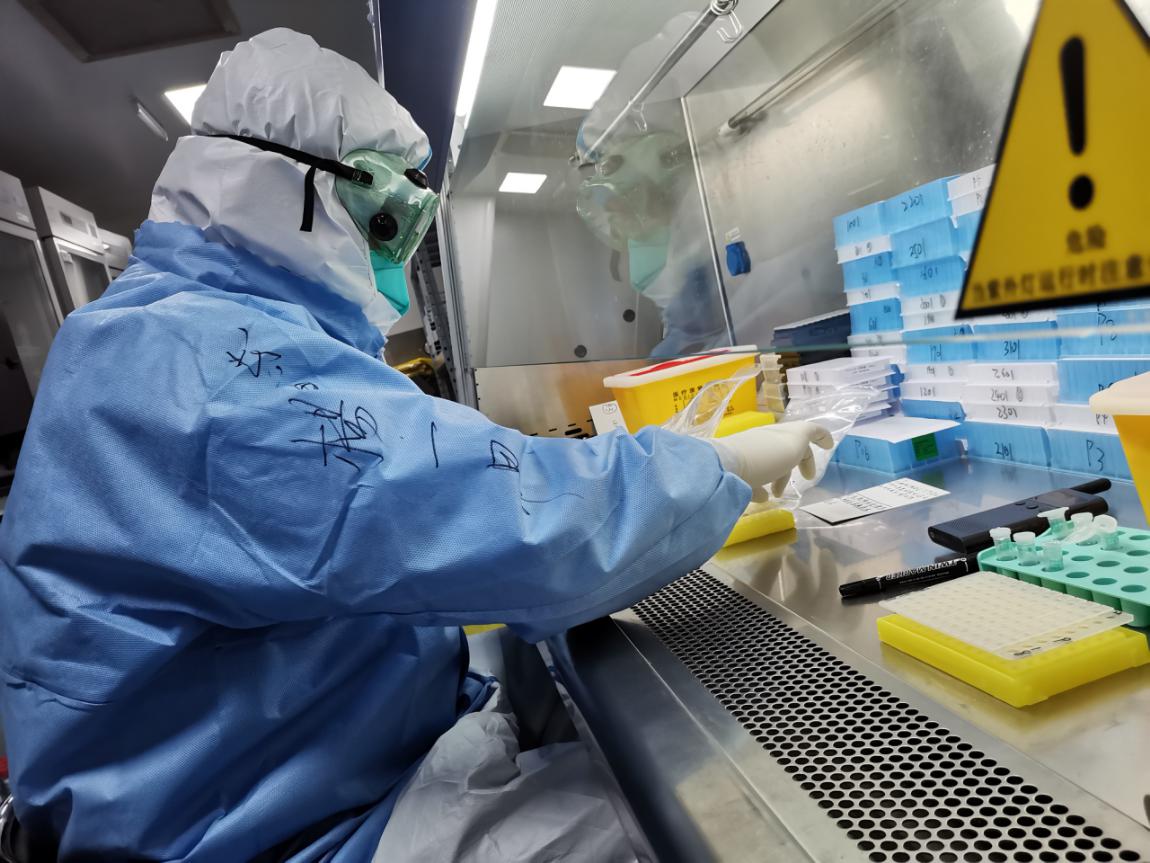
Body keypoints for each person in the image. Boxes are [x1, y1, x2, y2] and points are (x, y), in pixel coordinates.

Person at [0, 28, 830, 862]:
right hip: (276, 835)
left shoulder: (168, 331)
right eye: (383, 223)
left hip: (298, 773)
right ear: (285, 189)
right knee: (711, 827)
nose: (391, 261)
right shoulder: (203, 366)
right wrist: (719, 465)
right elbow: (523, 524)